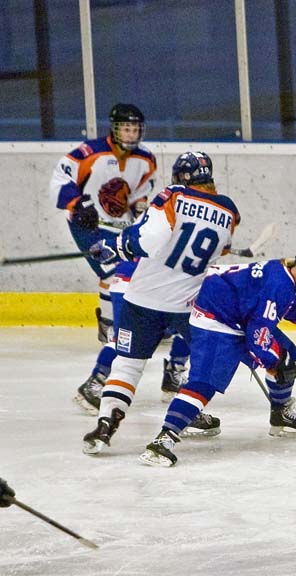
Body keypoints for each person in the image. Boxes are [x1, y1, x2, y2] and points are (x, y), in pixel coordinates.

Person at [138, 240, 296, 467]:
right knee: (204, 383)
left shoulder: (291, 278)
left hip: (238, 316)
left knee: (287, 353)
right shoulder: (279, 283)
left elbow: (294, 307)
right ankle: (164, 439)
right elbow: (258, 335)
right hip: (216, 317)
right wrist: (274, 361)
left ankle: (281, 412)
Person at [82, 151, 240, 455]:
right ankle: (188, 413)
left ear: (181, 177)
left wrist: (116, 244)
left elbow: (147, 241)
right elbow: (220, 250)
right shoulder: (229, 210)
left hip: (142, 301)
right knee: (204, 363)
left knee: (127, 365)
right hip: (186, 307)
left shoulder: (172, 196)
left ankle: (105, 426)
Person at [48, 103, 191, 413]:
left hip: (121, 227)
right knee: (115, 273)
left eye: (135, 128)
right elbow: (61, 180)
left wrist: (140, 207)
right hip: (88, 225)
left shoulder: (146, 159)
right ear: (114, 128)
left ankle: (115, 327)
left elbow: (143, 191)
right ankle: (113, 326)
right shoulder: (89, 153)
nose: (131, 133)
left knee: (123, 273)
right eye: (126, 128)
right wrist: (75, 204)